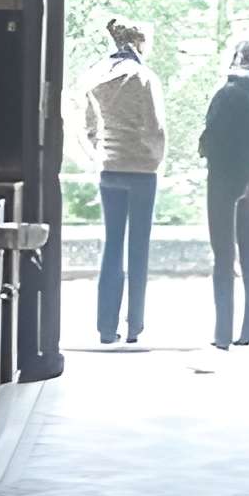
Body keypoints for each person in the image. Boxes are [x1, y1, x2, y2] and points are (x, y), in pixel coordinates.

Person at [83, 18, 165, 345]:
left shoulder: (96, 77)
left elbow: (89, 128)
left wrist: (100, 154)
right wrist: (156, 160)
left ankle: (105, 328)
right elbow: (155, 128)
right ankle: (135, 326)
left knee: (112, 246)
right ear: (139, 43)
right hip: (142, 170)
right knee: (139, 249)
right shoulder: (145, 78)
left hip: (110, 168)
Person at [199, 38, 249, 350]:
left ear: (233, 61)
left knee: (223, 255)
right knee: (248, 251)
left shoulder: (226, 94)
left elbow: (211, 138)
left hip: (223, 180)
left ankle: (222, 333)